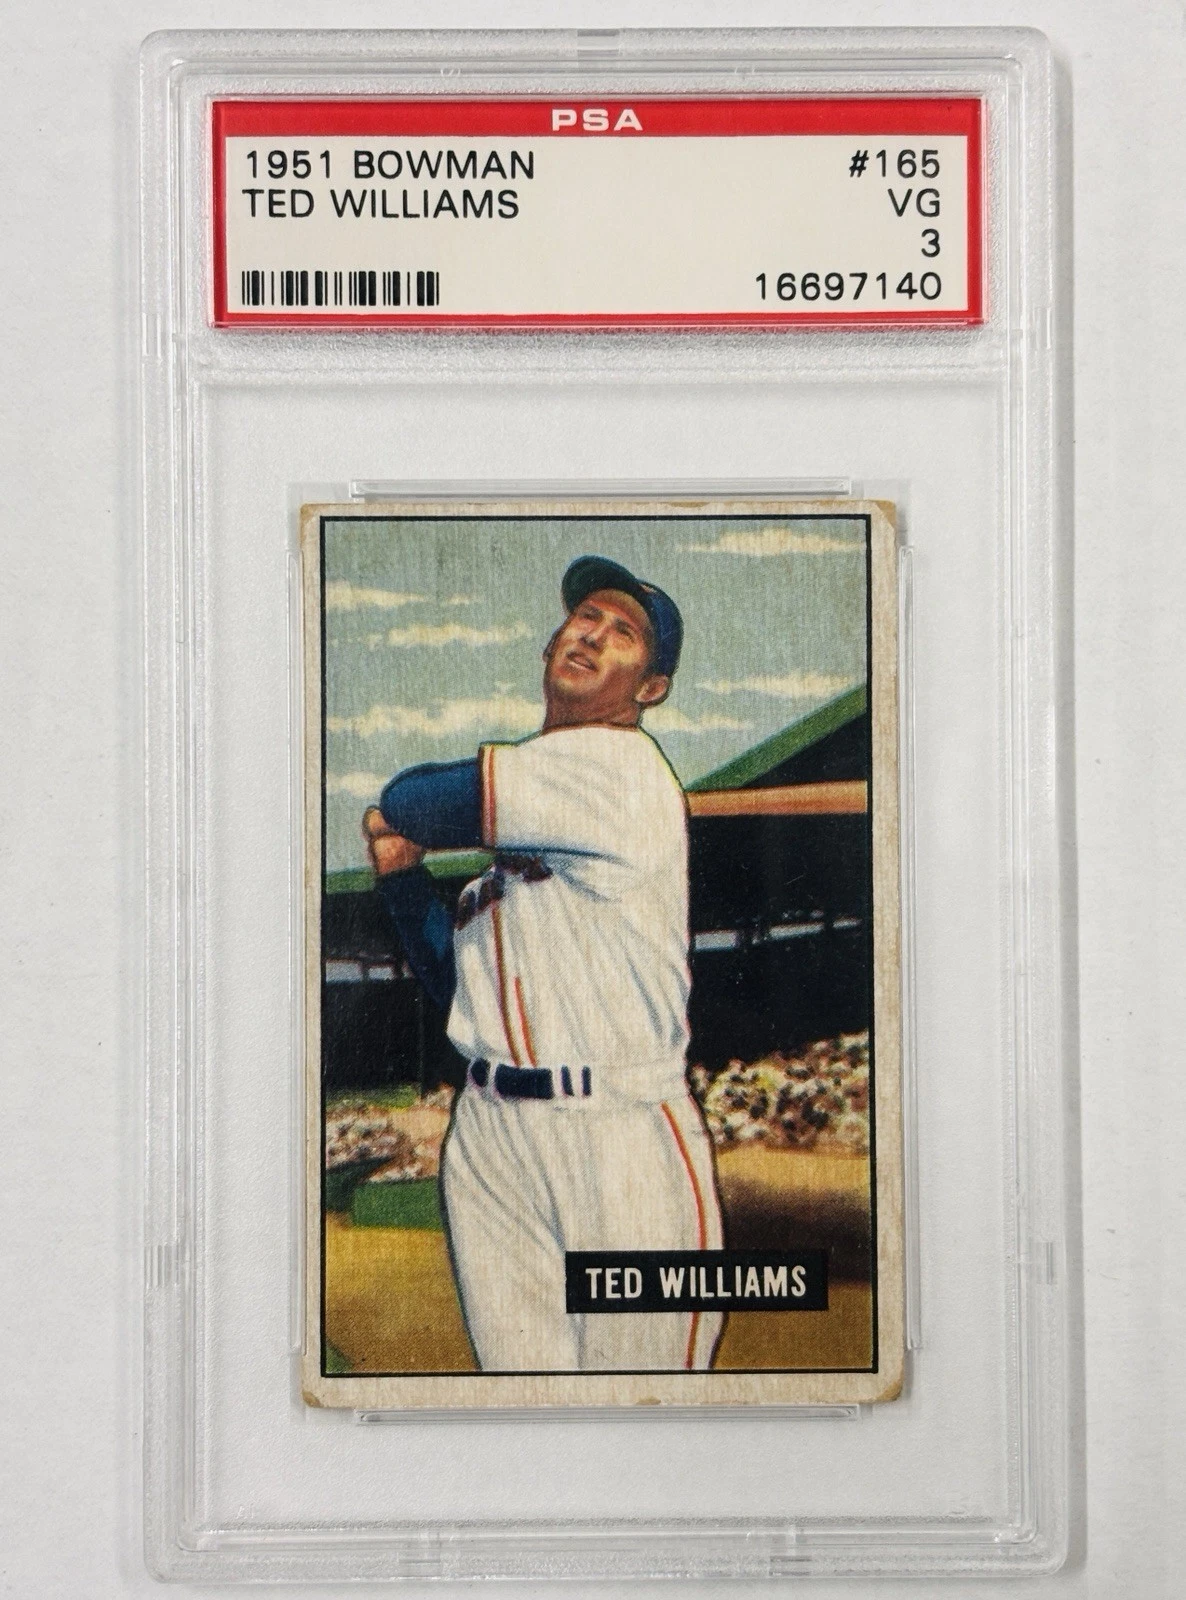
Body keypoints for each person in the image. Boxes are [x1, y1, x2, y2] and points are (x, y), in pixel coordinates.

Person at [363, 555, 723, 1372]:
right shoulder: (528, 820)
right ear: (551, 643)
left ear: (651, 688)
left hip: (618, 1132)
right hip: (491, 1132)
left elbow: (413, 797)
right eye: (586, 617)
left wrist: (399, 817)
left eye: (624, 633)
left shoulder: (617, 769)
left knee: (644, 1398)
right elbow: (457, 990)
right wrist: (403, 878)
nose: (592, 635)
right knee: (522, 1397)